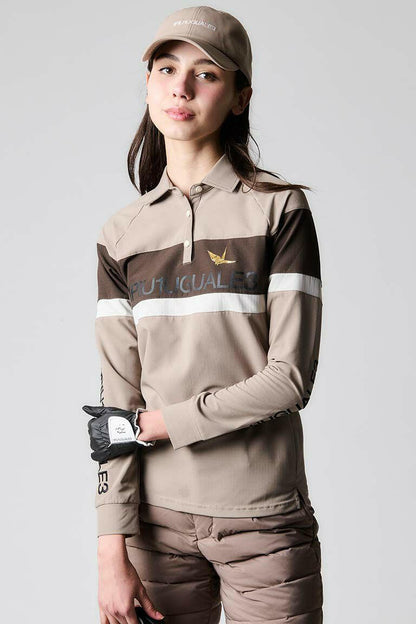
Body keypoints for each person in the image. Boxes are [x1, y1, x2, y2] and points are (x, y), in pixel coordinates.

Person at [91, 5, 324, 624]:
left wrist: (159, 424)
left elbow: (289, 379)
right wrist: (110, 551)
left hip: (264, 523)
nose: (181, 87)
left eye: (208, 73)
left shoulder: (279, 211)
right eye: (166, 69)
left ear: (241, 96)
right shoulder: (121, 235)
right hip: (154, 532)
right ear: (148, 84)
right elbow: (116, 406)